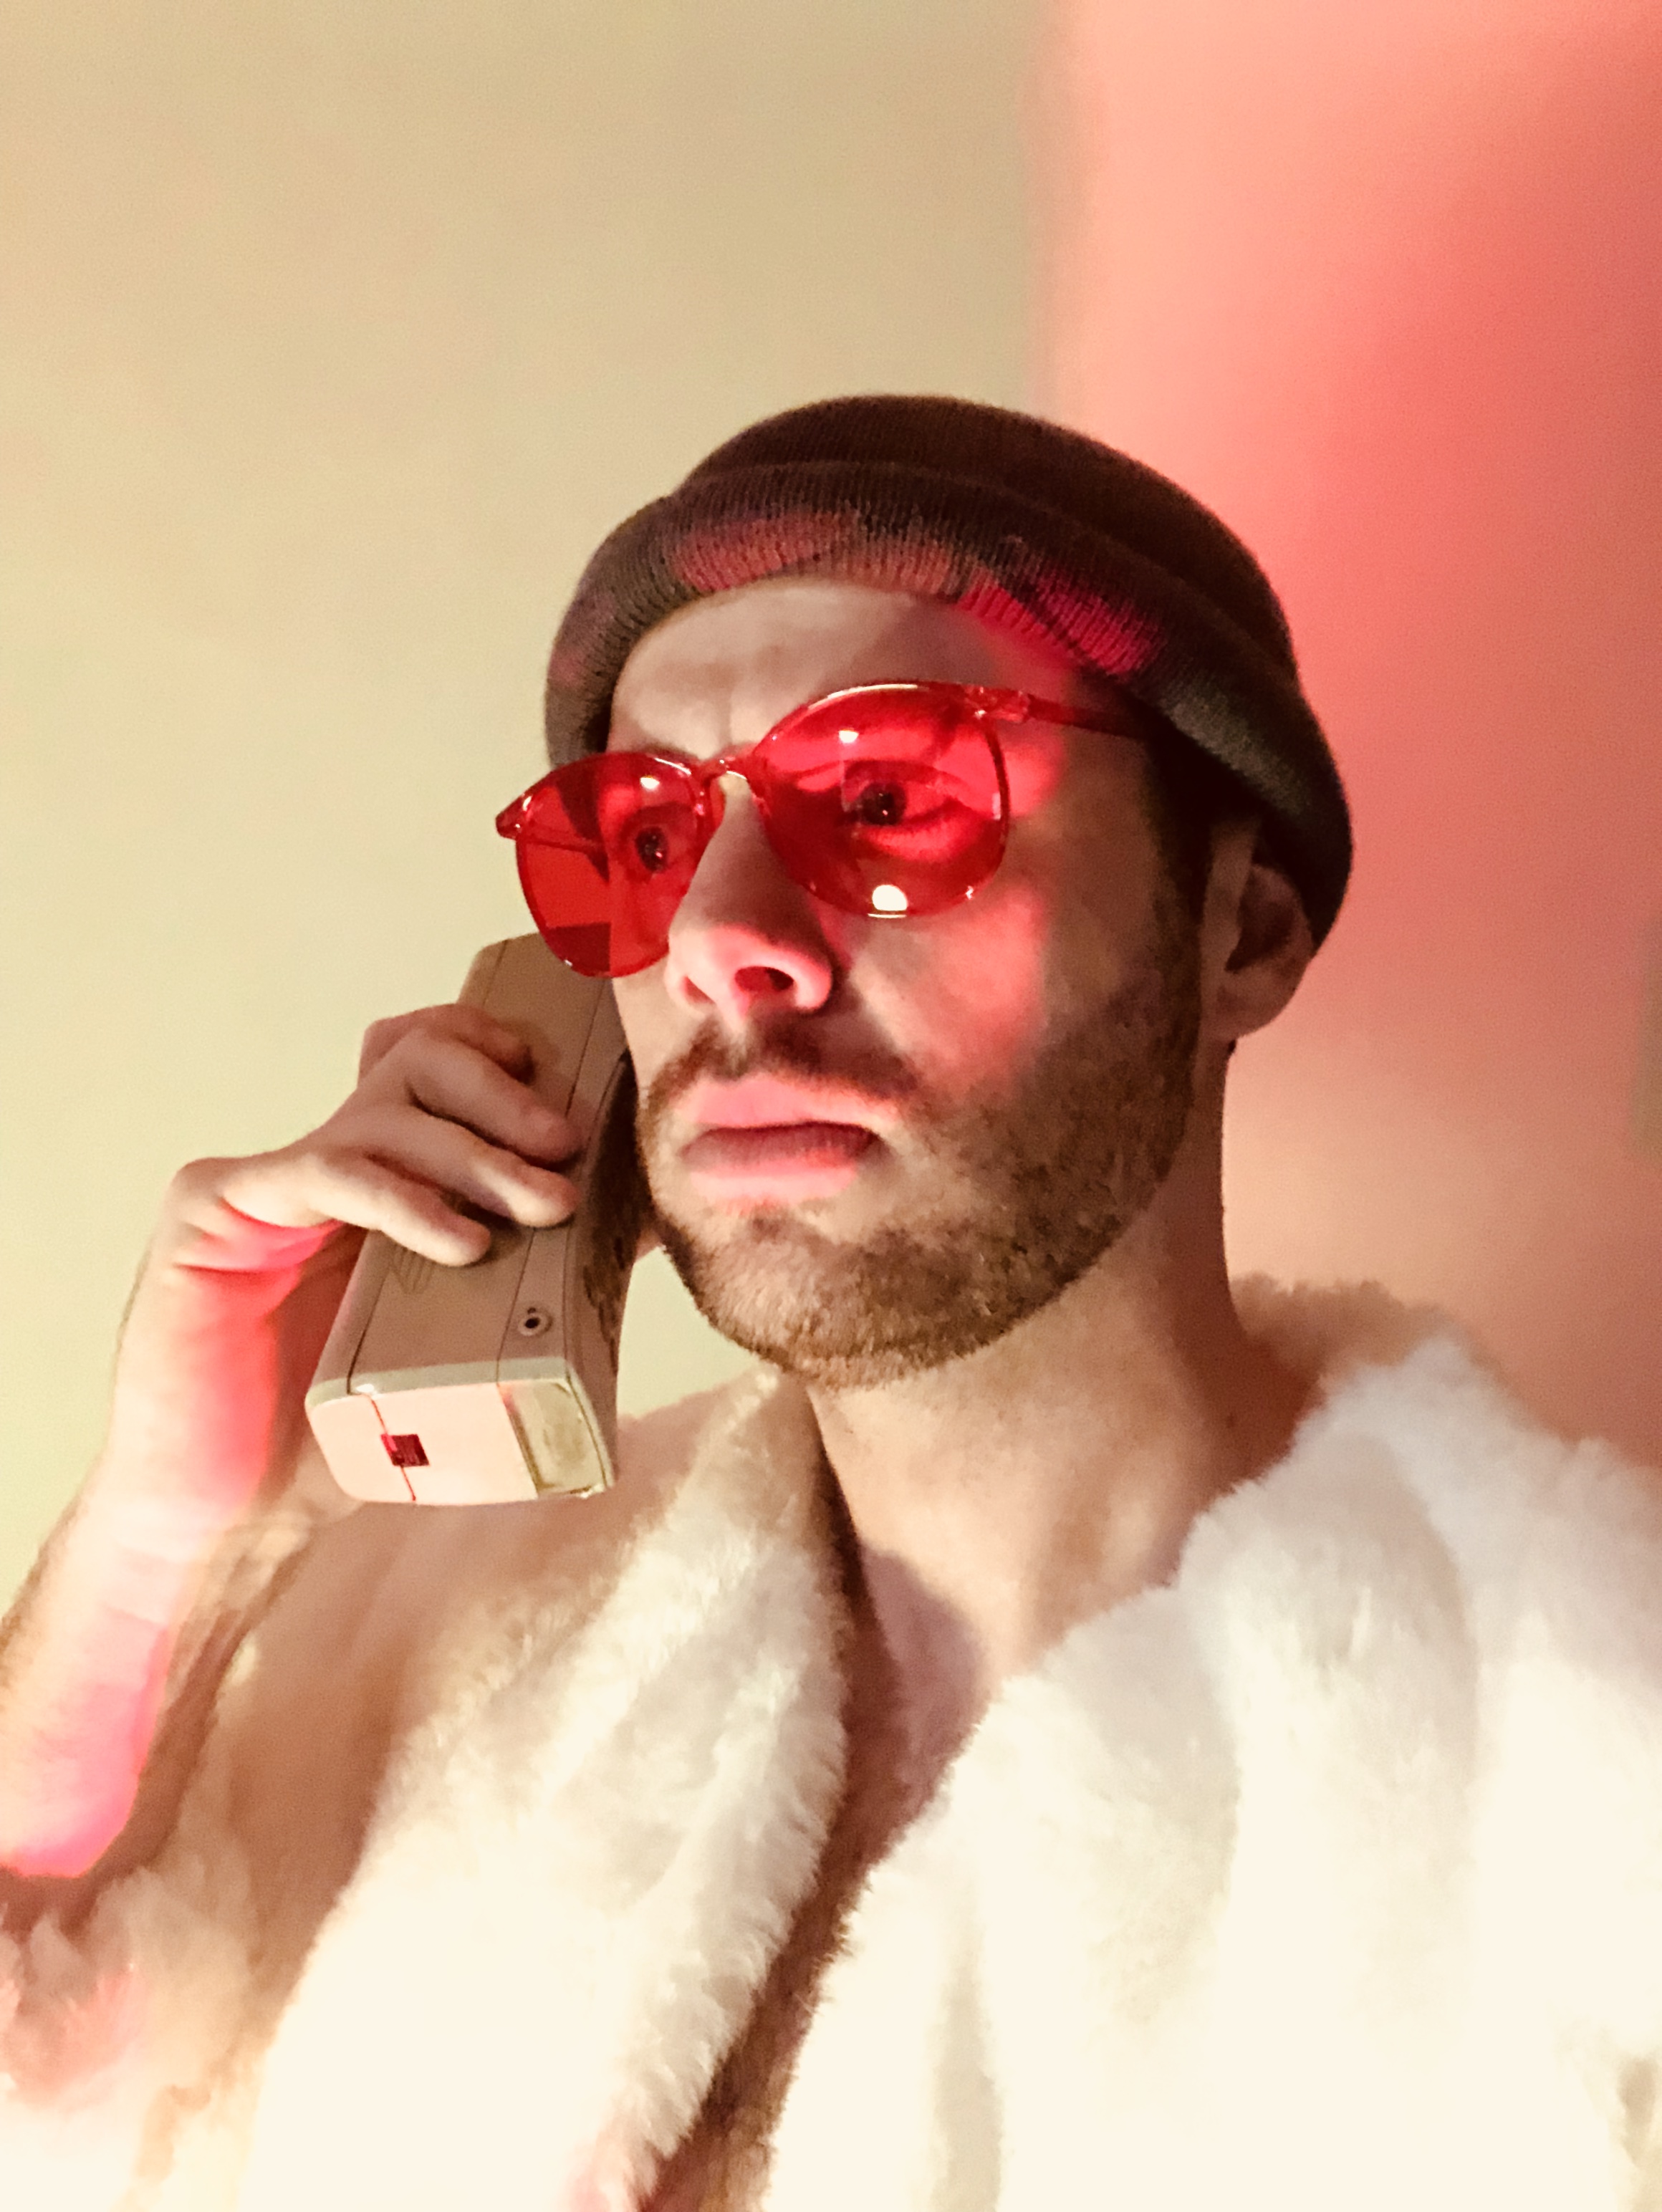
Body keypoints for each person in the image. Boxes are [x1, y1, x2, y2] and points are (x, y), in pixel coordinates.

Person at [2, 396, 1659, 2212]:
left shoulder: (1588, 1787)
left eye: (885, 797)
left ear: (1237, 933)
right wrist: (161, 1543)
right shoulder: (395, 1676)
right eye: (642, 841)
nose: (721, 936)